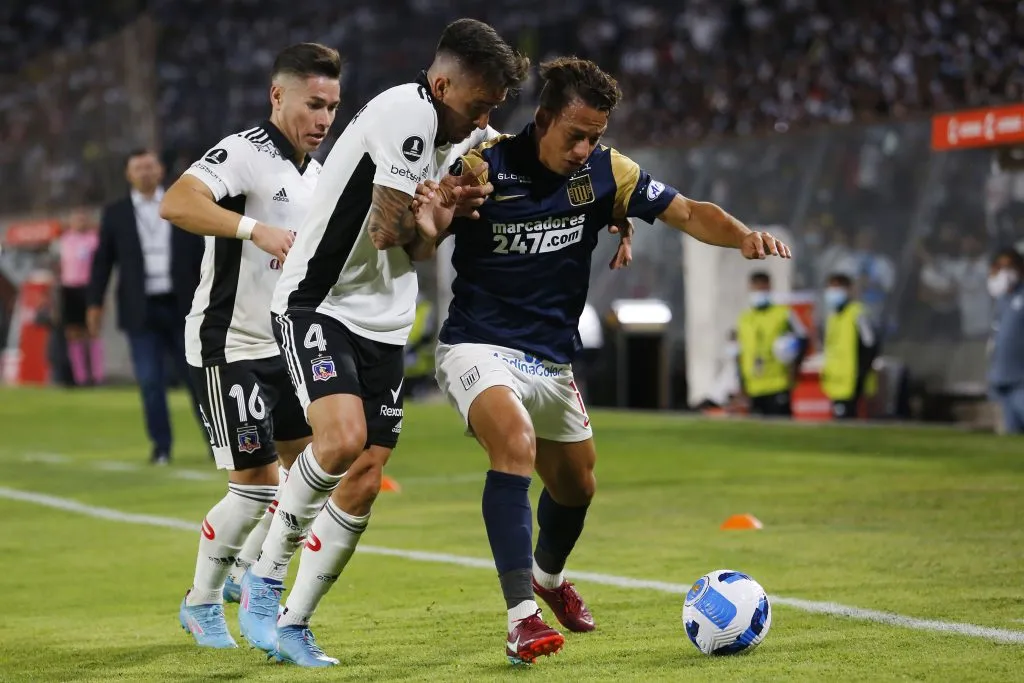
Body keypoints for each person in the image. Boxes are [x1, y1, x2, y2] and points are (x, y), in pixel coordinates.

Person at [411, 57, 791, 665]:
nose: (584, 149)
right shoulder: (482, 165)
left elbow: (689, 211)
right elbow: (417, 242)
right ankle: (522, 618)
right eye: (575, 135)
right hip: (477, 343)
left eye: (595, 136)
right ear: (543, 119)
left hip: (550, 357)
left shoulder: (609, 171)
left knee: (578, 486)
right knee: (515, 443)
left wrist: (743, 235)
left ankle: (548, 579)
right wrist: (434, 218)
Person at [236, 18, 528, 667]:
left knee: (365, 478)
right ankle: (264, 575)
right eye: (478, 104)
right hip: (318, 299)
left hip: (385, 319)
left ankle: (294, 622)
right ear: (443, 84)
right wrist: (438, 212)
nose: (483, 119)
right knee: (340, 440)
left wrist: (442, 211)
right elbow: (386, 232)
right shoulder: (406, 113)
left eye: (493, 108)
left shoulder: (462, 134)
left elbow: (421, 242)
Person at [158, 43, 341, 650]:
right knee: (258, 486)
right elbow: (177, 202)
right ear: (277, 95)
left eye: (332, 107)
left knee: (308, 478)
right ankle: (201, 601)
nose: (323, 118)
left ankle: (245, 571)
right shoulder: (244, 152)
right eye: (313, 103)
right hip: (229, 344)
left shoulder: (318, 174)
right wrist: (252, 228)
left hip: (285, 346)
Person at [87, 149, 205, 465]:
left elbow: (202, 252)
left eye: (149, 166)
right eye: (138, 168)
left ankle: (216, 443)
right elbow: (102, 262)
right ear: (128, 174)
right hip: (140, 309)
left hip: (183, 306)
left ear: (161, 170)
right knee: (151, 382)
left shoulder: (182, 203)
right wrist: (94, 303)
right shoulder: (116, 213)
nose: (145, 172)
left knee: (197, 378)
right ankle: (161, 448)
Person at [736, 271, 808, 416]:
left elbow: (804, 338)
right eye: (756, 289)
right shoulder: (744, 319)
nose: (760, 293)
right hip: (753, 386)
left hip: (778, 383)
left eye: (763, 289)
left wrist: (795, 368)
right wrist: (741, 383)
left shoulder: (784, 314)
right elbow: (740, 352)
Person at [820, 273, 878, 419]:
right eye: (831, 288)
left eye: (837, 288)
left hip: (852, 381)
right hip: (835, 381)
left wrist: (861, 371)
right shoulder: (833, 317)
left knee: (849, 419)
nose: (833, 293)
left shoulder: (857, 313)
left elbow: (870, 344)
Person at [58, 209, 103, 386]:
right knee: (73, 333)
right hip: (69, 288)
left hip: (89, 287)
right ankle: (80, 377)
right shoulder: (64, 240)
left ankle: (98, 375)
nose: (80, 222)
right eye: (76, 219)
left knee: (92, 331)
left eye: (83, 219)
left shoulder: (94, 239)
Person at [986, 247, 1024, 434]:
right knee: (1010, 438)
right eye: (999, 267)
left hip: (1021, 381)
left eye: (1008, 266)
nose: (1003, 272)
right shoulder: (1001, 301)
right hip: (1000, 381)